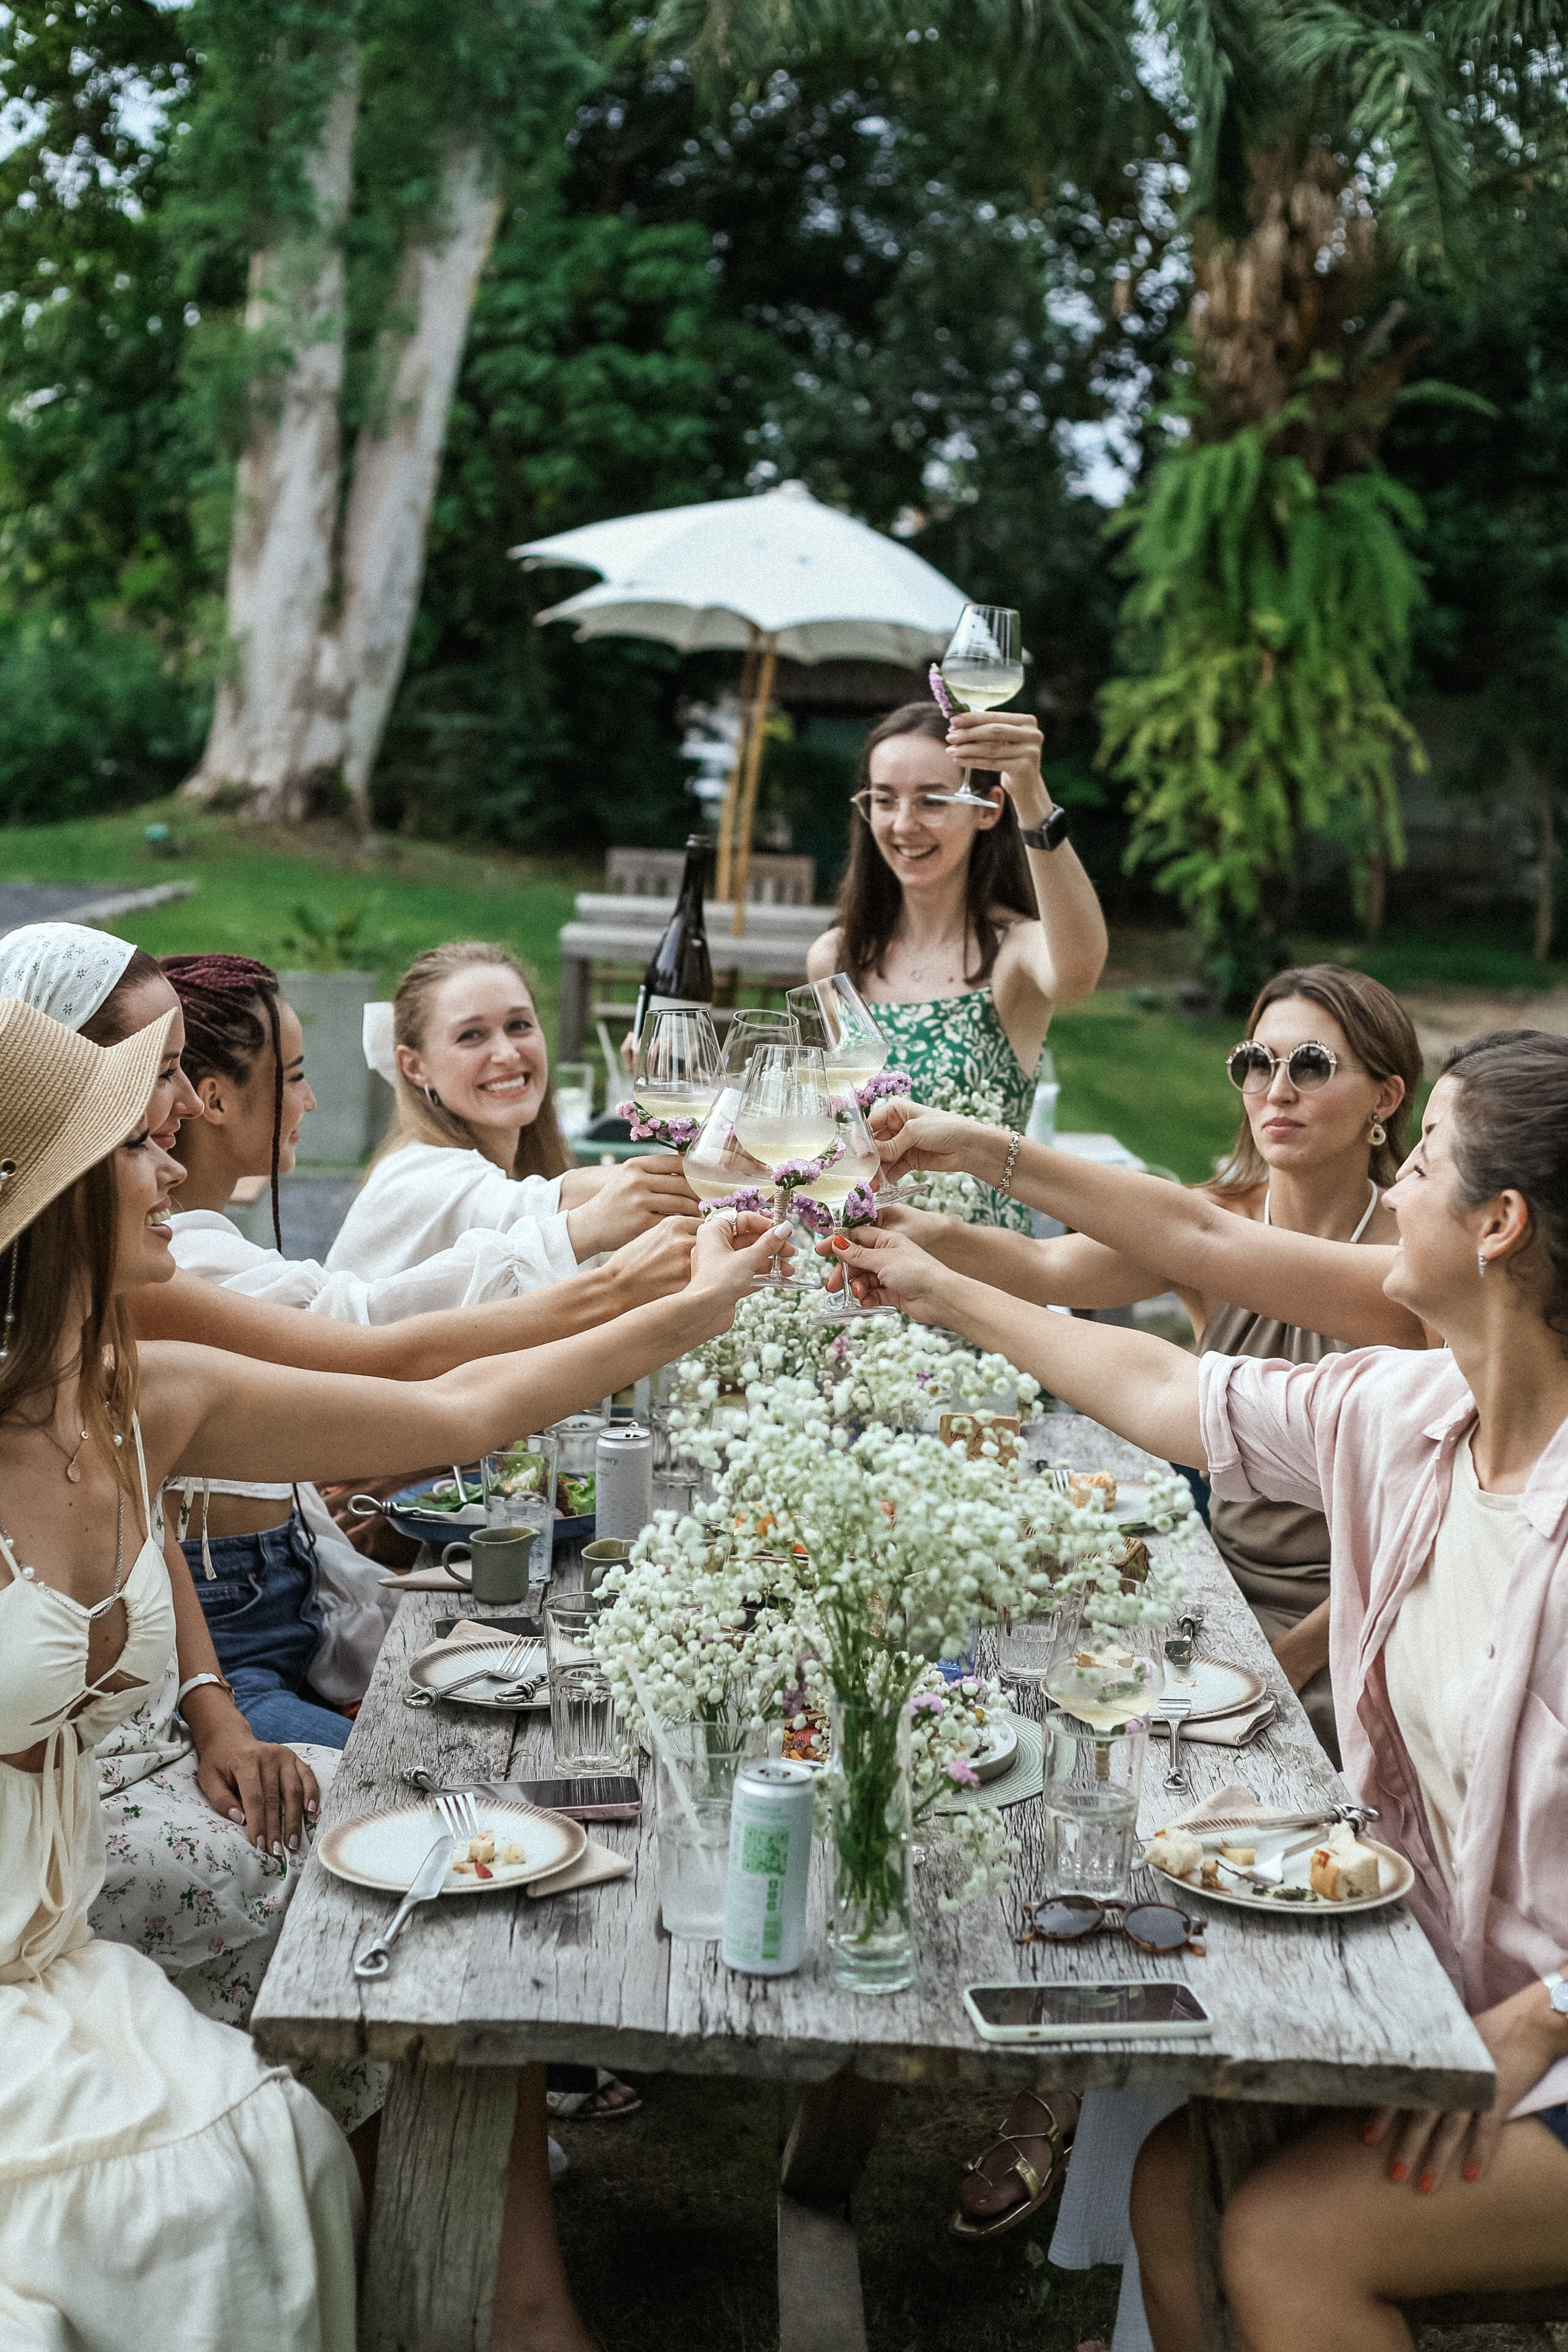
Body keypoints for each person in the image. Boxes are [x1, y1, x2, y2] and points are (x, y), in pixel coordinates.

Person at [0, 989, 783, 2350]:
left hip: (48, 1928)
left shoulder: (144, 1392)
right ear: (57, 1198)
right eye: (137, 1148)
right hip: (31, 1947)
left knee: (296, 2106)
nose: (174, 1166)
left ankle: (489, 2296)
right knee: (195, 2193)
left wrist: (703, 1298)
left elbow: (451, 1408)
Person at [832, 1033, 1568, 2349]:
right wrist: (938, 1292)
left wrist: (1535, 2024)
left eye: (1429, 1163)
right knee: (1165, 2181)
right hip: (1439, 1994)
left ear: (1498, 1224)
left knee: (1288, 2243)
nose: (1397, 1190)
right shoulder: (1409, 1412)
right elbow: (1170, 1390)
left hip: (1541, 2029)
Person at [869, 965, 1425, 1763]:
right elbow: (1043, 1264)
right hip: (1211, 1588)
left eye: (1311, 1065)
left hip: (1354, 1627)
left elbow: (1418, 1547)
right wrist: (911, 1231)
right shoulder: (1225, 1214)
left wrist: (1285, 1664)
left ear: (1386, 1096)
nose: (1277, 1090)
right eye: (1255, 1064)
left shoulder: (1411, 1268)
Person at [804, 699, 1107, 1230]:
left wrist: (1031, 795)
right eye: (884, 799)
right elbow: (829, 1129)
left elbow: (1079, 972)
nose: (903, 824)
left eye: (932, 801)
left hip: (978, 1276)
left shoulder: (1014, 953)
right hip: (854, 1274)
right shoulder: (836, 957)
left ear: (988, 810)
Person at [328, 939, 696, 1280]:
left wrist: (686, 1096)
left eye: (519, 1025)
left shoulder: (526, 1165)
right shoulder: (416, 1176)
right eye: (471, 1035)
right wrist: (700, 1133)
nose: (507, 1054)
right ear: (414, 1066)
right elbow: (540, 1210)